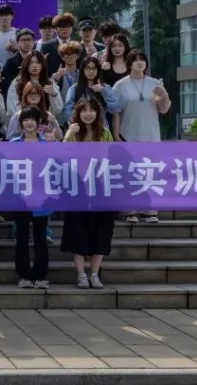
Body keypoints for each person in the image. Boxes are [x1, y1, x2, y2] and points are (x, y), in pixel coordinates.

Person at [61, 98, 115, 290]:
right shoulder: (73, 132)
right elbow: (62, 156)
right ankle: (81, 274)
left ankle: (95, 274)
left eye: (92, 110)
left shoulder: (105, 133)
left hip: (100, 188)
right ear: (78, 113)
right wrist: (68, 135)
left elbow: (111, 158)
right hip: (78, 189)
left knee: (101, 231)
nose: (88, 114)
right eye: (84, 110)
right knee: (78, 231)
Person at [113, 49, 170, 224]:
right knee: (129, 173)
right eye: (135, 60)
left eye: (142, 59)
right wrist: (116, 134)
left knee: (150, 172)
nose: (139, 62)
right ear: (129, 63)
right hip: (128, 134)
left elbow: (163, 109)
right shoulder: (120, 85)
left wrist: (164, 95)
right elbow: (116, 112)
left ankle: (149, 210)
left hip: (151, 134)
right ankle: (129, 210)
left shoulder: (155, 83)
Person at [10, 107, 51, 289]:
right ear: (21, 123)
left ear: (38, 123)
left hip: (42, 198)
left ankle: (40, 275)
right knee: (22, 237)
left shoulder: (47, 144)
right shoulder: (14, 144)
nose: (29, 123)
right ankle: (24, 275)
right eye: (25, 119)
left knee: (41, 237)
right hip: (20, 198)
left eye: (32, 119)